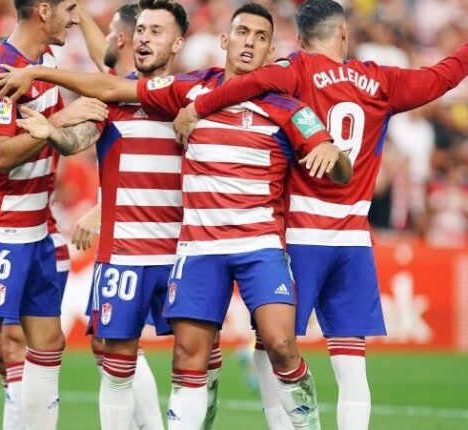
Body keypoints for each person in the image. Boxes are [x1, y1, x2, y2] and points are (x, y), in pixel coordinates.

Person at [0, 2, 352, 429]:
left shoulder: (279, 106)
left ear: (272, 51)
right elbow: (105, 92)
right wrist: (45, 95)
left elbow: (339, 171)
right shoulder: (186, 91)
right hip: (181, 250)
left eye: (260, 37)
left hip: (239, 246)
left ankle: (305, 422)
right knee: (161, 357)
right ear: (224, 39)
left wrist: (334, 152)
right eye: (242, 33)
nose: (249, 42)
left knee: (277, 344)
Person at [170, 1, 468, 428]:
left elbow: (248, 85)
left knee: (271, 350)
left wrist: (199, 107)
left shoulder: (295, 70)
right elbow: (443, 76)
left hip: (299, 235)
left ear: (301, 38)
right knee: (351, 367)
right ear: (342, 33)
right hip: (352, 237)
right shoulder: (380, 80)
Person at [0, 1, 105, 428]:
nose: (75, 16)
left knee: (48, 341)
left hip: (38, 228)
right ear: (43, 10)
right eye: (69, 8)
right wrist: (64, 117)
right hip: (0, 228)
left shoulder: (42, 64)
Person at [73, 2, 170, 428]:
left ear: (126, 39)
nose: (107, 36)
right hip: (128, 233)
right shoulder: (117, 88)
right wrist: (78, 16)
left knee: (185, 352)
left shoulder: (165, 92)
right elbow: (102, 61)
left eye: (113, 30)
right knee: (109, 345)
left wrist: (100, 207)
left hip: (153, 239)